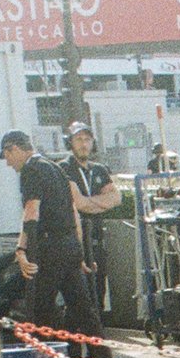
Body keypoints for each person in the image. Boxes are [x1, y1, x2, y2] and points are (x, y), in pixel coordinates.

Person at [0, 129, 117, 358]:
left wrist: (21, 249)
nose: (8, 163)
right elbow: (73, 212)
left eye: (7, 156)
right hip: (69, 247)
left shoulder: (31, 170)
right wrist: (80, 254)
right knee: (85, 312)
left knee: (39, 312)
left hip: (49, 248)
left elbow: (32, 211)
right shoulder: (57, 169)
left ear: (15, 149)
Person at [63, 121, 118, 321]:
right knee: (78, 295)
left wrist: (90, 203)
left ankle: (98, 333)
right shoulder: (64, 168)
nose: (83, 144)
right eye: (78, 139)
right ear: (70, 142)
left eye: (87, 139)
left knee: (99, 290)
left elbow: (116, 198)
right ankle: (77, 346)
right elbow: (78, 204)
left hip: (97, 239)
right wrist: (99, 203)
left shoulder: (99, 169)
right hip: (76, 240)